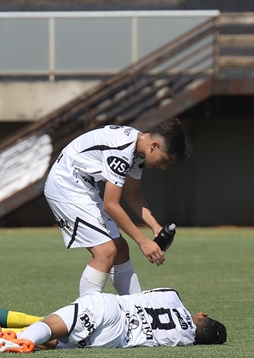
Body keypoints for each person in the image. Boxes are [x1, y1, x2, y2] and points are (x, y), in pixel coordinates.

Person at [43, 119, 192, 297]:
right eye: (165, 160)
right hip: (65, 186)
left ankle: (137, 310)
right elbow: (111, 205)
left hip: (83, 187)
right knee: (106, 251)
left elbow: (132, 195)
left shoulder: (137, 150)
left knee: (120, 249)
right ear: (154, 145)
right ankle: (85, 315)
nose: (163, 167)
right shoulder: (122, 151)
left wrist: (155, 227)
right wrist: (143, 242)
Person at [0, 288, 227, 353]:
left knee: (54, 324)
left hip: (113, 310)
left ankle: (21, 341)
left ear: (201, 315)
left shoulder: (173, 296)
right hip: (114, 341)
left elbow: (139, 292)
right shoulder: (183, 341)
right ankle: (7, 338)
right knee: (59, 340)